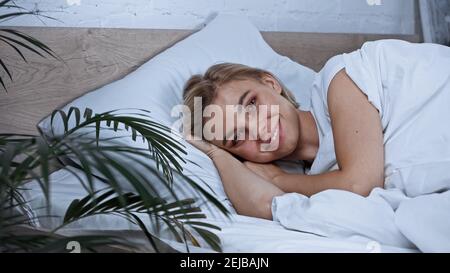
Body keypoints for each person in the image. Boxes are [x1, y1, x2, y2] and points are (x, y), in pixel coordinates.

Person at [182, 39, 450, 220]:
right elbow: (265, 207)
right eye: (238, 137)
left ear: (271, 83)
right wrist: (216, 155)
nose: (260, 131)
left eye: (251, 104)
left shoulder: (340, 79)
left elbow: (361, 184)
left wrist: (278, 180)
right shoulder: (319, 180)